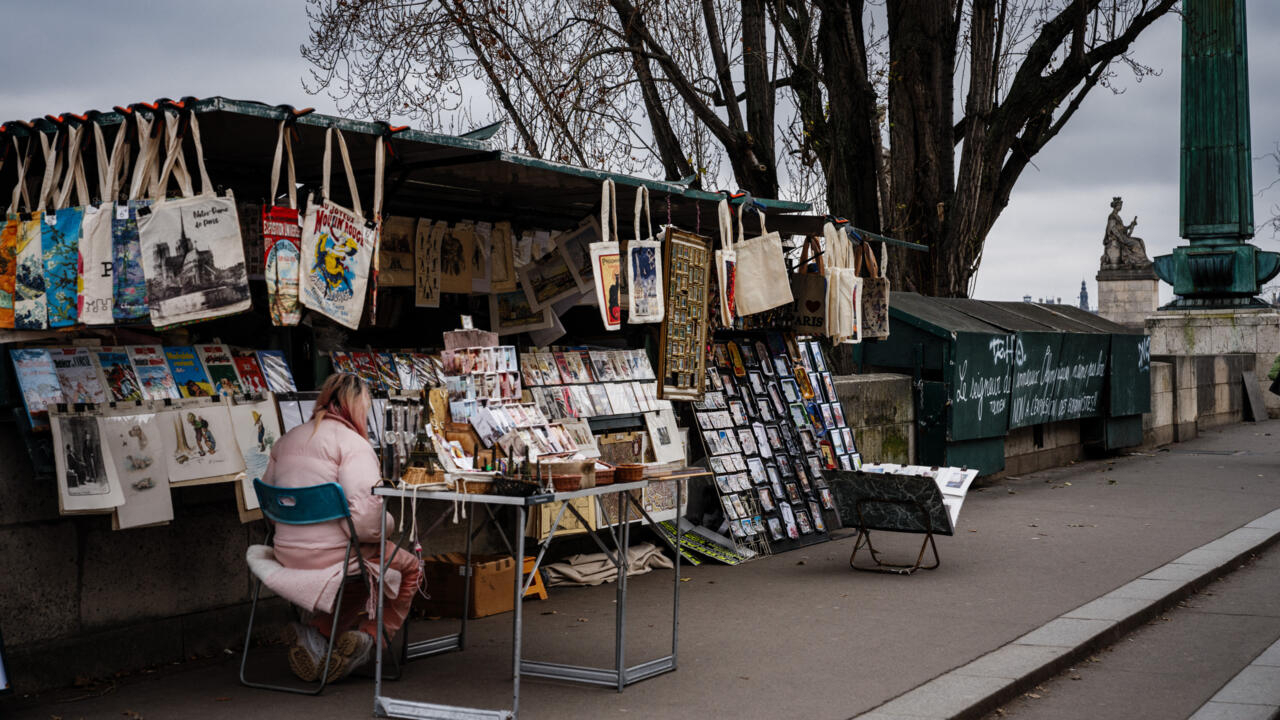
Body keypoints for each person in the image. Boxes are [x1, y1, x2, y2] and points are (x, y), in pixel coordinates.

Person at [261, 373, 422, 683]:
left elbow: (269, 503)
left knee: (364, 572)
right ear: (357, 408)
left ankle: (316, 635)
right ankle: (370, 640)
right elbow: (364, 523)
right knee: (410, 568)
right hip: (335, 555)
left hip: (286, 552)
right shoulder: (353, 445)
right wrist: (389, 524)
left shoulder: (287, 439)